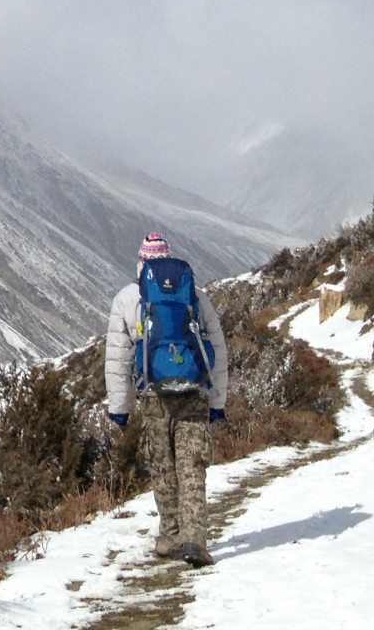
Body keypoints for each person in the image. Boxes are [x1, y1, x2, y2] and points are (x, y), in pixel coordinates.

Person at [104, 231, 229, 567]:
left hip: (153, 395)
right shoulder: (195, 297)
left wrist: (118, 407)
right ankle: (195, 540)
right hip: (193, 393)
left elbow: (118, 358)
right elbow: (216, 349)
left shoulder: (128, 299)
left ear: (142, 265)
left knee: (163, 466)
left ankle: (170, 536)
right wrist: (218, 401)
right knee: (192, 465)